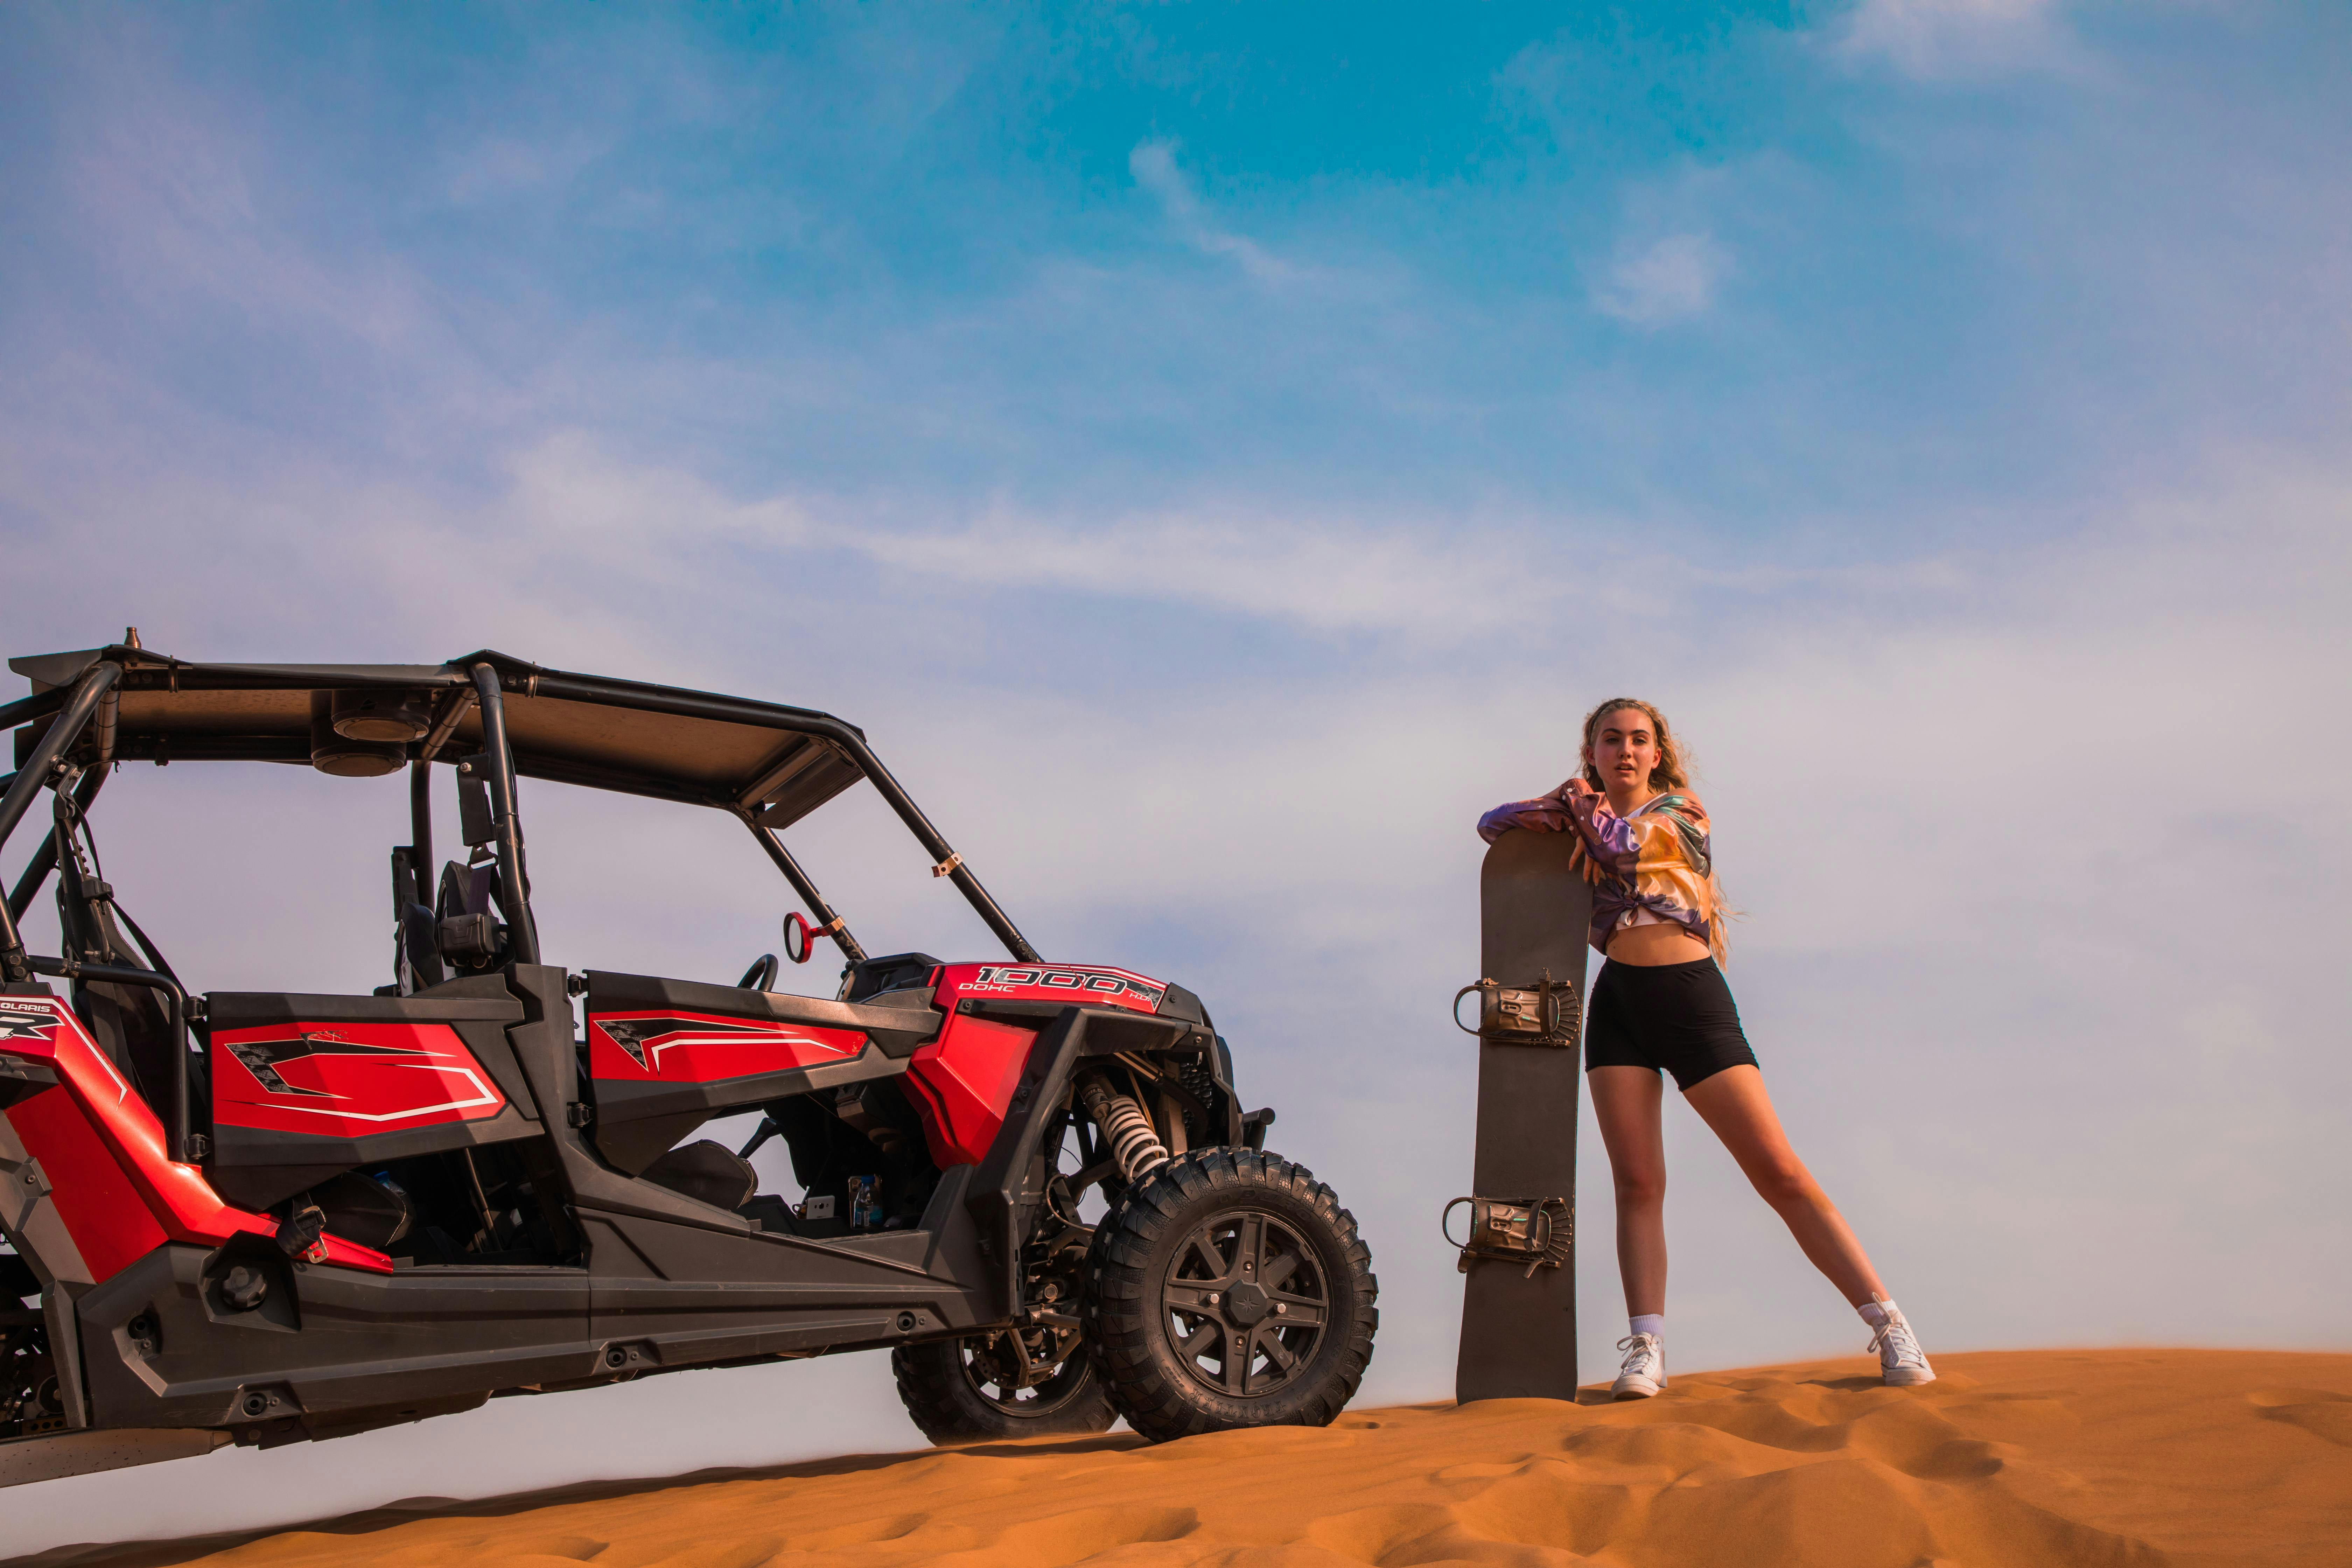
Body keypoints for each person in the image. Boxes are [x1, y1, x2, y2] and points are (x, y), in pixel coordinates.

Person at [1477, 698, 1933, 1398]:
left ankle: (1890, 1321)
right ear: (1592, 750)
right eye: (1611, 740)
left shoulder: (1683, 812)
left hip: (1689, 999)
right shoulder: (1586, 810)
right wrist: (1569, 800)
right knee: (1637, 1184)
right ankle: (1647, 1347)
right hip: (1617, 1006)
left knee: (1778, 1171)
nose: (1626, 751)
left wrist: (1577, 804)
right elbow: (1496, 827)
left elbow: (1624, 849)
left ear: (1657, 753)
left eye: (1638, 740)